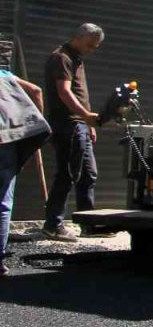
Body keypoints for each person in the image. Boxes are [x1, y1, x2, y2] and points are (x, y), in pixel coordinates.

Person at [42, 23, 104, 243]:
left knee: (88, 174)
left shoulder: (76, 58)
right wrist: (86, 116)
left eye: (95, 47)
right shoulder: (62, 58)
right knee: (67, 174)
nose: (91, 50)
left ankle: (88, 225)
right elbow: (65, 93)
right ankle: (53, 225)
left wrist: (88, 124)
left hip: (80, 124)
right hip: (67, 124)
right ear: (78, 37)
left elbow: (79, 93)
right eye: (90, 45)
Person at [0, 69, 49, 275]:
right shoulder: (4, 74)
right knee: (3, 202)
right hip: (6, 140)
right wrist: (34, 123)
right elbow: (36, 91)